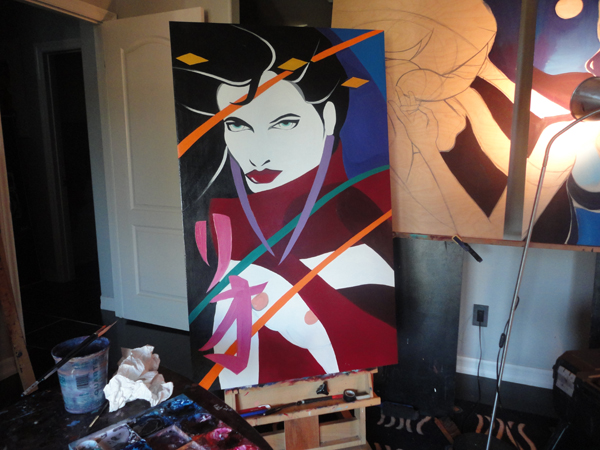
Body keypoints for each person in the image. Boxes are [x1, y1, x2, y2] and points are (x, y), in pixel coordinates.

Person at [171, 24, 397, 389]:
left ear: (328, 118)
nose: (257, 155)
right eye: (237, 125)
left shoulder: (363, 211)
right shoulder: (215, 225)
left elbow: (369, 334)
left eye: (284, 123)